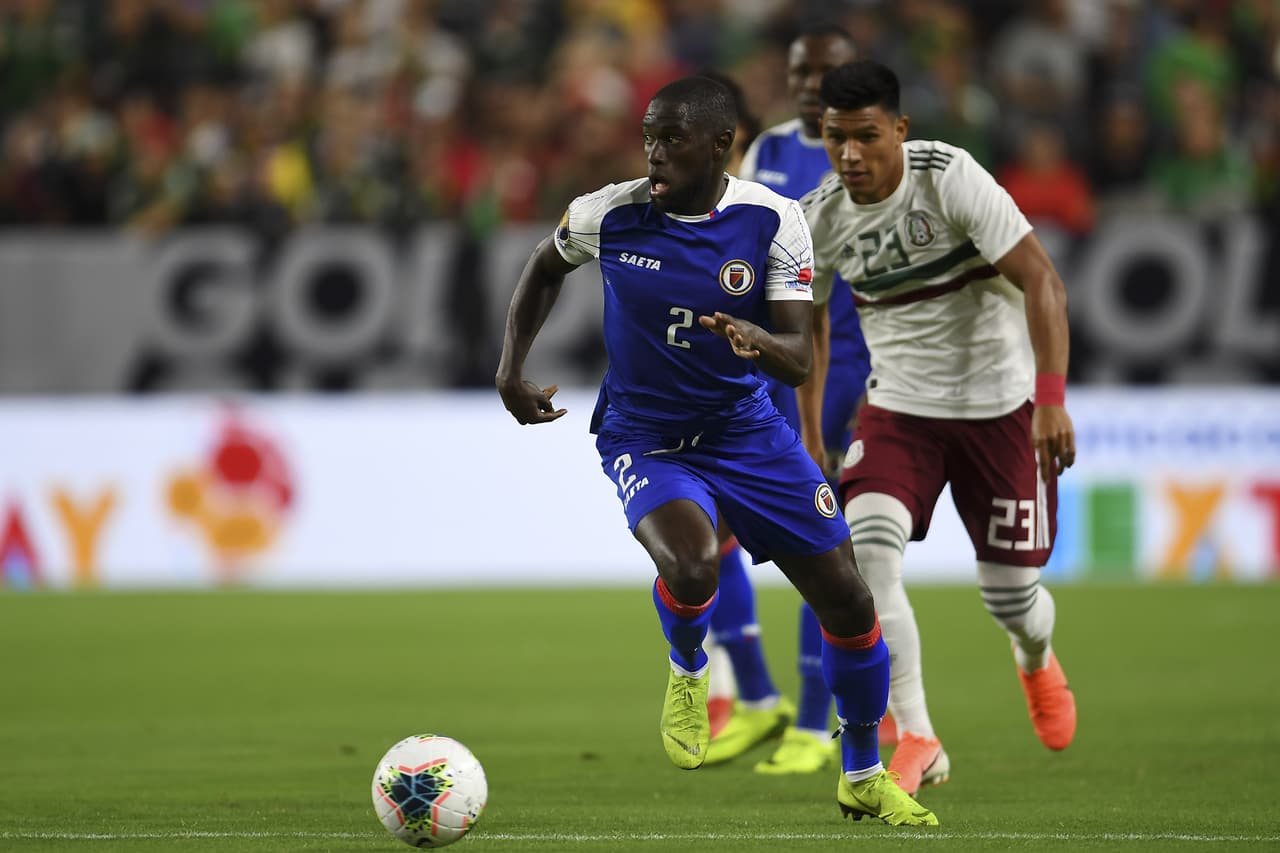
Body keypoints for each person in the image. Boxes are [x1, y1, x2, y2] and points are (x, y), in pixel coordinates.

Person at [496, 75, 938, 827]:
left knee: (851, 600)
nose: (654, 154)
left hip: (747, 431)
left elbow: (799, 357)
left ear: (721, 145)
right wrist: (510, 369)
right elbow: (543, 267)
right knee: (695, 563)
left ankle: (862, 770)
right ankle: (690, 664)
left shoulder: (772, 220)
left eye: (672, 140)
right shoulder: (611, 210)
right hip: (648, 435)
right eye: (649, 137)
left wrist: (759, 340)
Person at [800, 59, 1078, 797]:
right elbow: (811, 333)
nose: (850, 155)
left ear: (899, 128)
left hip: (1002, 408)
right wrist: (806, 432)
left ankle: (1035, 658)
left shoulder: (950, 177)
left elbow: (1042, 279)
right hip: (900, 411)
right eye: (835, 139)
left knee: (1013, 599)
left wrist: (1050, 398)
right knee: (869, 554)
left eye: (865, 137)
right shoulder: (820, 215)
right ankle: (919, 733)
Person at [703, 24, 878, 777]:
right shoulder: (768, 146)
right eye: (801, 72)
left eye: (827, 71)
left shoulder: (864, 151)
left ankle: (815, 719)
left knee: (820, 541)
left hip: (840, 366)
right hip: (769, 364)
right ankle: (758, 697)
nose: (811, 84)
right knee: (710, 526)